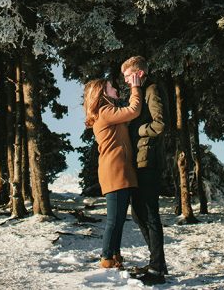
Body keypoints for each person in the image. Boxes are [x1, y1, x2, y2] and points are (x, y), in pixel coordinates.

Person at [84, 69, 144, 270]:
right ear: (102, 93)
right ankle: (106, 257)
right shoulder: (105, 112)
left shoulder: (109, 112)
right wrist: (135, 86)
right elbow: (133, 110)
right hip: (115, 171)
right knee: (113, 219)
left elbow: (128, 114)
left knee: (119, 218)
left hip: (120, 170)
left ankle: (115, 254)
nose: (114, 88)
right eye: (111, 87)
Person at [122, 55, 169, 286]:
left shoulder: (152, 89)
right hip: (138, 161)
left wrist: (138, 131)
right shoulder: (139, 93)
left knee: (149, 214)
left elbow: (160, 124)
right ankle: (157, 263)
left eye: (127, 76)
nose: (125, 81)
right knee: (139, 213)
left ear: (139, 74)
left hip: (148, 161)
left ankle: (157, 269)